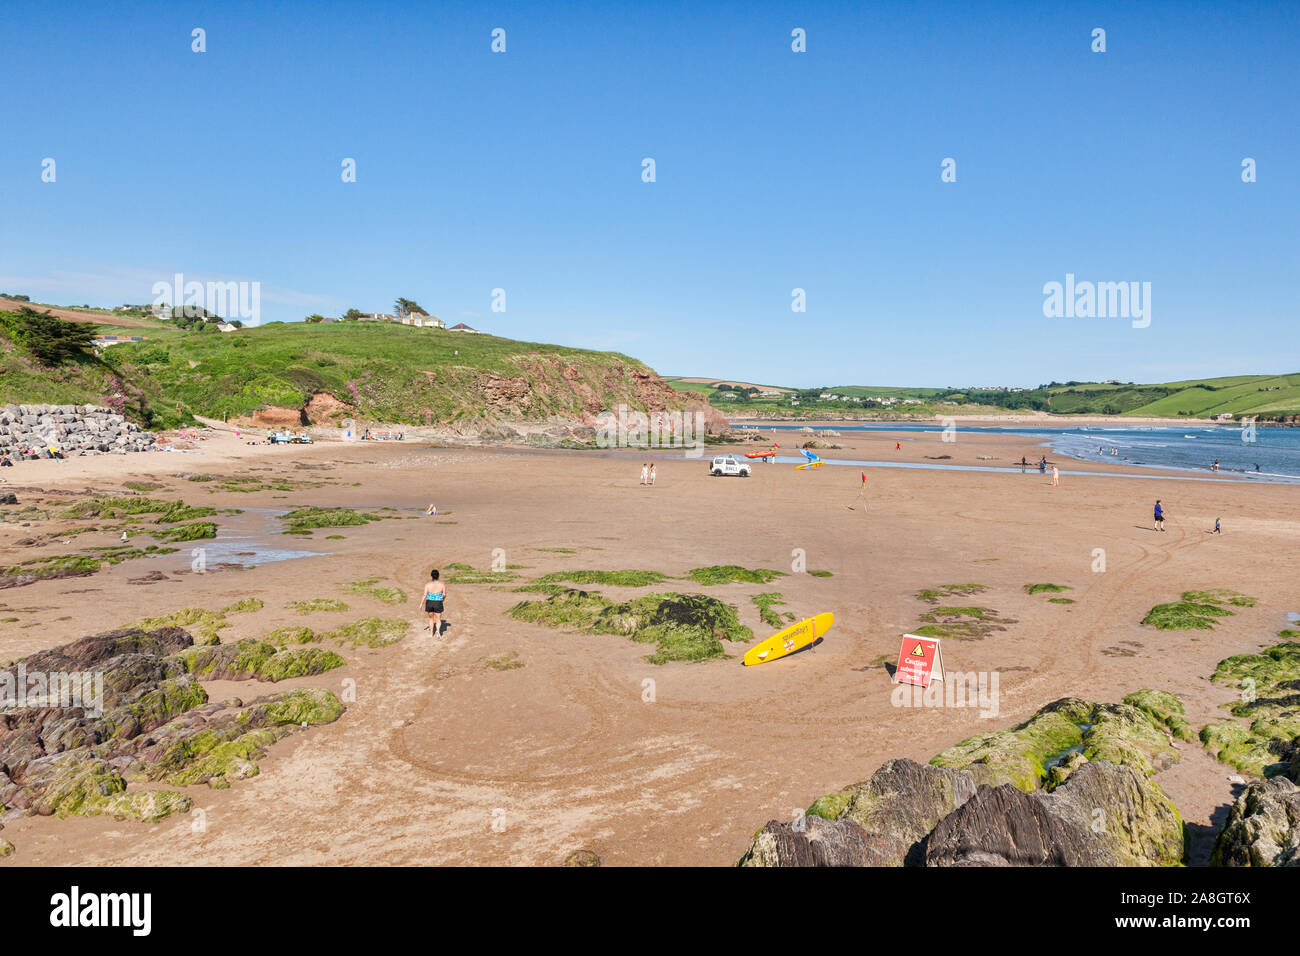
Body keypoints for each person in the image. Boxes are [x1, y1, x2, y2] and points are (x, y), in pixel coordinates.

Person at [423, 569, 446, 637]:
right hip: (438, 603)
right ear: (438, 576)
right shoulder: (442, 584)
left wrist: (421, 604)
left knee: (431, 619)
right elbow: (444, 594)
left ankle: (431, 634)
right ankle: (438, 632)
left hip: (429, 602)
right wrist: (442, 600)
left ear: (431, 576)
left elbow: (424, 595)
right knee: (438, 619)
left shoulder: (427, 584)